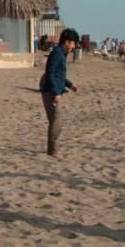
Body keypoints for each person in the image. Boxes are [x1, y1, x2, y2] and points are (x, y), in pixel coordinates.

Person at [40, 28, 80, 158]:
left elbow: (58, 75)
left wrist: (69, 84)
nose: (74, 47)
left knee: (56, 121)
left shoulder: (61, 54)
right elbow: (50, 73)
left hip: (54, 88)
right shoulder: (57, 53)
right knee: (56, 121)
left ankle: (52, 149)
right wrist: (56, 93)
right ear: (67, 42)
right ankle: (53, 151)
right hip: (51, 90)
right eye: (73, 43)